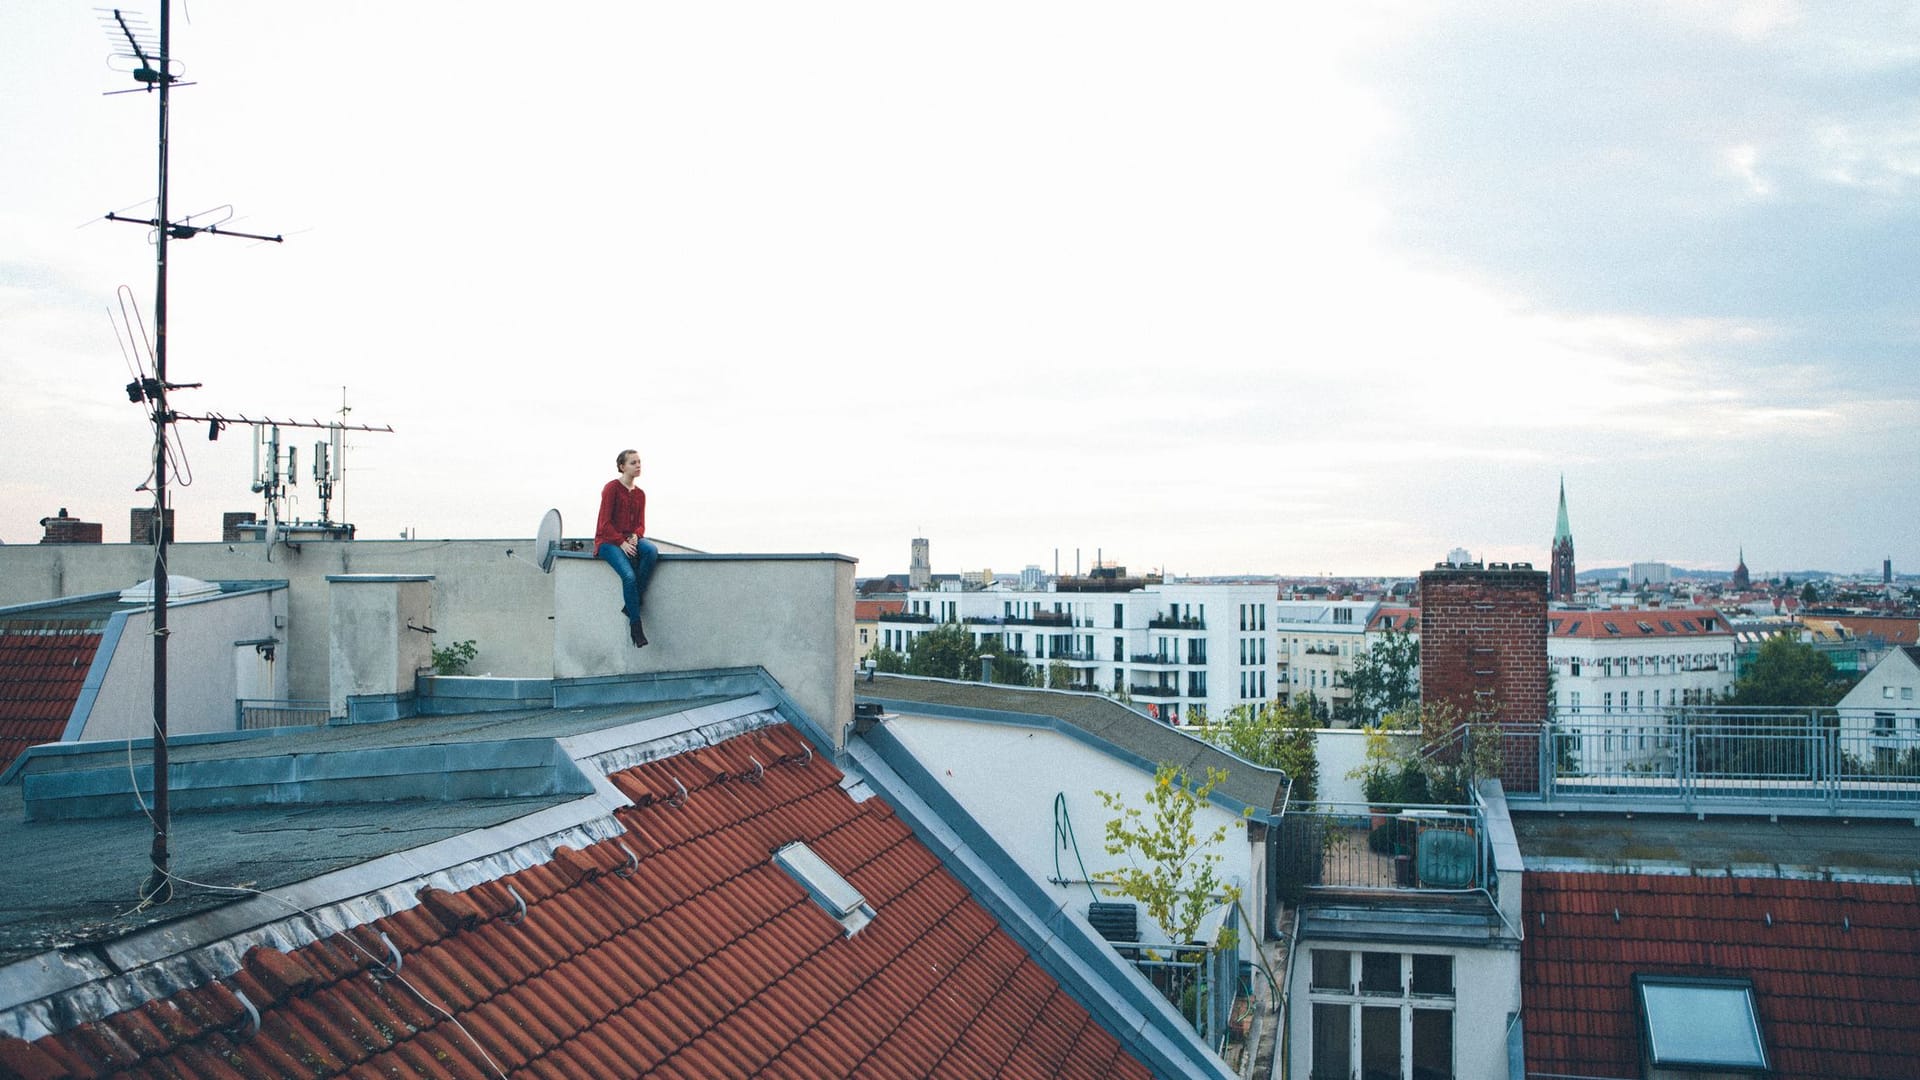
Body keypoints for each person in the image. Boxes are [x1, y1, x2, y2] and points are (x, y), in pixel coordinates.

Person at [595, 449, 658, 648]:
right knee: (629, 576)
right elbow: (604, 524)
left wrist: (635, 535)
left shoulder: (640, 494)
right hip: (608, 541)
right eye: (633, 462)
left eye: (639, 462)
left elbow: (641, 524)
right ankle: (635, 626)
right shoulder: (612, 488)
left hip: (629, 539)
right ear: (622, 467)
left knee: (651, 551)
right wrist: (621, 542)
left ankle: (632, 602)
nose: (638, 465)